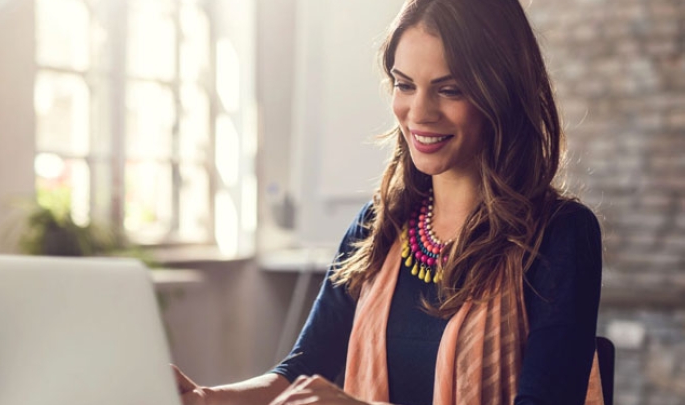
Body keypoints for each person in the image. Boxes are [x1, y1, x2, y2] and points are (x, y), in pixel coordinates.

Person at [175, 0, 605, 403]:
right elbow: (303, 368)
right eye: (404, 85)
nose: (419, 112)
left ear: (501, 92)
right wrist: (208, 398)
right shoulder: (380, 224)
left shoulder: (562, 233)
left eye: (449, 89)